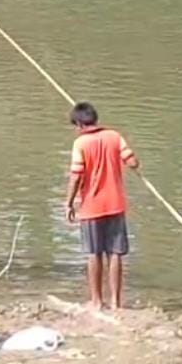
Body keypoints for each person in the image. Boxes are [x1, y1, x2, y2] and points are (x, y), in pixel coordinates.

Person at [65, 102, 138, 311]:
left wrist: (69, 203)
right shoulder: (114, 136)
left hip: (91, 207)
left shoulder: (81, 144)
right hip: (116, 204)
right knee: (115, 254)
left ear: (79, 124)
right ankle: (116, 302)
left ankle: (96, 301)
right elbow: (133, 163)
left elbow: (76, 176)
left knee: (93, 253)